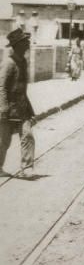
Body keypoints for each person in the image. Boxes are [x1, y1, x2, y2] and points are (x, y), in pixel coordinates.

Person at [0, 29, 36, 178]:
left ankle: (26, 168)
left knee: (28, 136)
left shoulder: (23, 62)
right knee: (4, 141)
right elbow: (1, 87)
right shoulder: (8, 63)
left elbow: (23, 89)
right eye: (25, 42)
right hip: (7, 109)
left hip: (22, 108)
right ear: (17, 45)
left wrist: (30, 109)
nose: (28, 44)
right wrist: (3, 108)